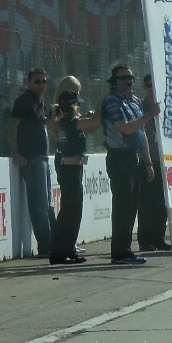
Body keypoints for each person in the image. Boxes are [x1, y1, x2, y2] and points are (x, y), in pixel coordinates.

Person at [99, 64, 158, 266]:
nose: (127, 81)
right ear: (114, 81)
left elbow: (141, 134)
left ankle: (126, 249)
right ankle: (119, 251)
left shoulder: (134, 101)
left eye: (130, 78)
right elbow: (126, 128)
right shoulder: (111, 101)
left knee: (132, 206)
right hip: (119, 157)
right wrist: (150, 115)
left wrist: (148, 161)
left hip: (135, 157)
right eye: (123, 78)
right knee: (122, 206)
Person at [47, 76, 100, 264]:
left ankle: (67, 248)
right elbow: (91, 123)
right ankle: (59, 251)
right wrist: (101, 105)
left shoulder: (68, 121)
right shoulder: (68, 122)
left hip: (73, 168)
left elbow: (87, 125)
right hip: (69, 169)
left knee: (74, 210)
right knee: (70, 210)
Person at [8, 68, 55, 257]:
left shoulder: (39, 103)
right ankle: (46, 246)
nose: (41, 85)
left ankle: (56, 242)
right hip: (32, 158)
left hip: (42, 157)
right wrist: (16, 154)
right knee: (39, 206)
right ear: (29, 83)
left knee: (48, 204)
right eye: (37, 82)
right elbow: (11, 128)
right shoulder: (24, 102)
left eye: (44, 81)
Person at [136, 75, 172, 252]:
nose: (152, 89)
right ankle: (145, 239)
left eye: (155, 86)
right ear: (144, 86)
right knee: (147, 202)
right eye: (149, 86)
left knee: (162, 202)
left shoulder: (166, 106)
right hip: (147, 159)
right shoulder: (140, 106)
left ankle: (159, 237)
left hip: (165, 159)